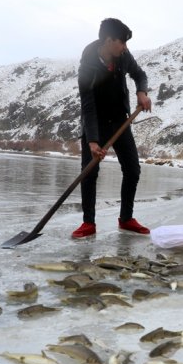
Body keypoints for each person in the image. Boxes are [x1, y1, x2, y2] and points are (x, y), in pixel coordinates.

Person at [71, 18, 153, 239]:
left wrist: (141, 92)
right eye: (122, 42)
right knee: (89, 172)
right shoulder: (87, 67)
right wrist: (93, 141)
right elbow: (87, 106)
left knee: (133, 169)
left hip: (120, 121)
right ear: (108, 40)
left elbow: (140, 75)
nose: (125, 47)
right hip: (95, 122)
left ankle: (126, 219)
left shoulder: (123, 56)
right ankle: (88, 223)